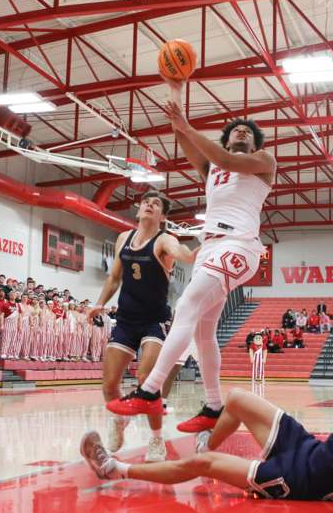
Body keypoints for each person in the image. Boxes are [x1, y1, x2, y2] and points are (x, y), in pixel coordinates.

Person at [105, 76, 275, 444]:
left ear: (254, 143)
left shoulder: (262, 161)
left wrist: (187, 125)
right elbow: (184, 139)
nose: (242, 132)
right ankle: (213, 406)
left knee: (186, 305)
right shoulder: (214, 169)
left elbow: (224, 157)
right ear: (226, 137)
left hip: (239, 244)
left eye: (248, 132)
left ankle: (150, 389)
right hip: (210, 247)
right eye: (237, 130)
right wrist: (176, 91)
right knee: (202, 331)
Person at [81, 346, 333, 500]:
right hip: (307, 449)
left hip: (299, 479)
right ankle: (207, 443)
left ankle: (114, 469)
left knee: (202, 465)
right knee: (238, 398)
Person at [87, 191, 197, 463]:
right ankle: (118, 420)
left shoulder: (165, 240)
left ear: (163, 216)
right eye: (146, 202)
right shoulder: (124, 238)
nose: (149, 205)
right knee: (109, 384)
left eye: (156, 204)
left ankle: (156, 438)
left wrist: (196, 251)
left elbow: (182, 254)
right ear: (138, 210)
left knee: (147, 379)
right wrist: (99, 303)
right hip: (126, 319)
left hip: (154, 320)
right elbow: (115, 277)